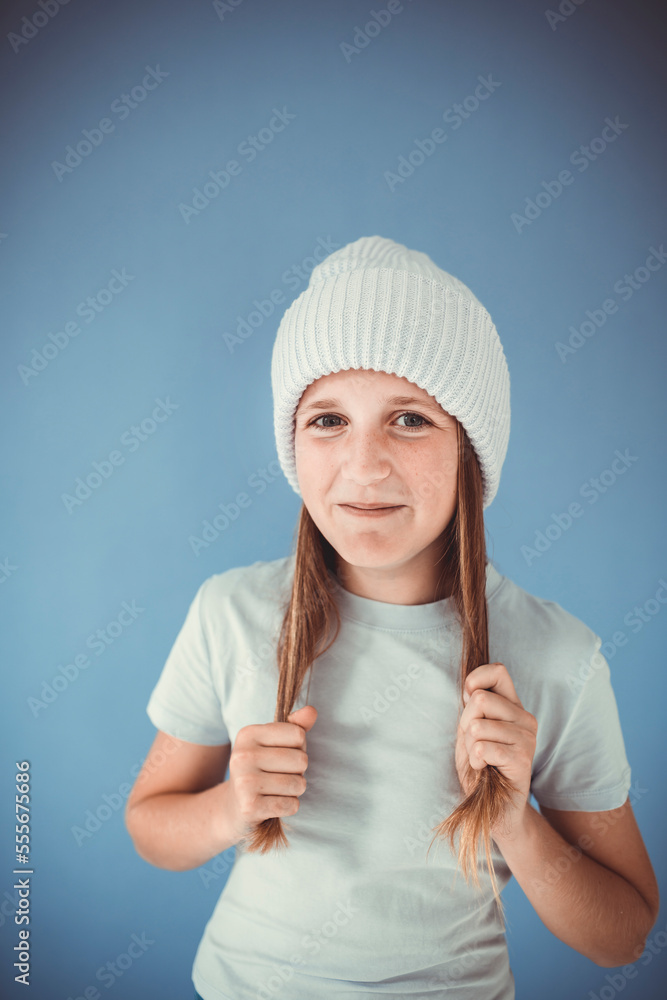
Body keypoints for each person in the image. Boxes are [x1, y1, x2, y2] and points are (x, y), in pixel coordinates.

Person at [125, 235, 659, 999]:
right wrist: (229, 805)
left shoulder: (554, 656)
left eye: (408, 419)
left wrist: (515, 821)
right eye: (327, 420)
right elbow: (150, 825)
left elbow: (624, 934)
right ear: (293, 445)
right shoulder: (231, 612)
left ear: (469, 450)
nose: (364, 465)